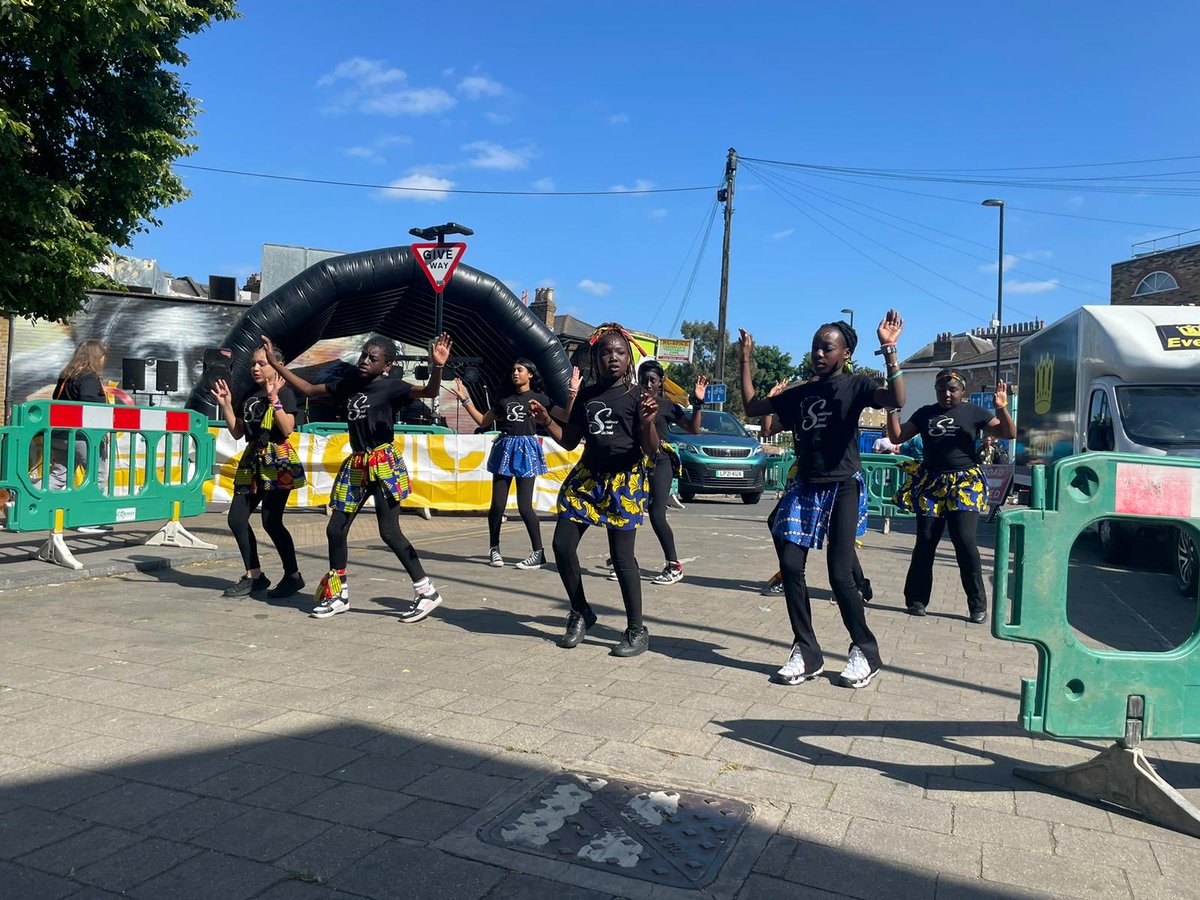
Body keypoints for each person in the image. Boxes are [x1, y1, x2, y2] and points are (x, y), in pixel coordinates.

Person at [741, 311, 905, 689]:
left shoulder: (857, 385)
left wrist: (889, 348)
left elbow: (896, 397)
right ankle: (807, 650)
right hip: (806, 487)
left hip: (843, 485)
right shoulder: (800, 392)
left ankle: (866, 650)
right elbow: (753, 408)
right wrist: (746, 358)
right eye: (815, 345)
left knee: (839, 573)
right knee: (790, 564)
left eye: (827, 346)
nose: (818, 352)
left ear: (845, 353)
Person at [263, 332, 452, 622]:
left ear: (386, 366)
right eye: (364, 355)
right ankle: (338, 595)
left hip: (383, 461)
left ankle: (426, 591)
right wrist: (276, 364)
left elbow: (428, 392)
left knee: (389, 531)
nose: (364, 361)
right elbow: (310, 390)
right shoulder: (349, 384)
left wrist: (437, 366)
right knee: (335, 529)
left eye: (372, 358)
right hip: (358, 463)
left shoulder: (393, 387)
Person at [529, 323, 660, 657]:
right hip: (587, 479)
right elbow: (571, 440)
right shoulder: (586, 394)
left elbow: (649, 450)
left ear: (629, 361)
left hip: (623, 482)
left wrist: (647, 423)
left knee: (621, 558)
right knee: (561, 545)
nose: (612, 358)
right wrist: (546, 419)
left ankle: (636, 630)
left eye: (619, 352)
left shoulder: (638, 398)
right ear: (596, 359)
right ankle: (581, 612)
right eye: (605, 352)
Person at [887, 370, 1016, 623]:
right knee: (925, 541)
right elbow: (896, 437)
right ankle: (916, 600)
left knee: (964, 541)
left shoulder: (973, 413)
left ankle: (977, 605)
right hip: (932, 482)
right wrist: (892, 410)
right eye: (941, 389)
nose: (946, 394)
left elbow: (1008, 433)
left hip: (964, 482)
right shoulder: (925, 413)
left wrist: (1001, 407)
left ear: (962, 392)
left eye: (953, 390)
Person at [210, 345, 306, 599]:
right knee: (236, 518)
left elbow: (287, 429)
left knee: (271, 521)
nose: (255, 368)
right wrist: (227, 404)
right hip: (252, 459)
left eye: (262, 363)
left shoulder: (285, 393)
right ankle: (254, 575)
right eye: (253, 363)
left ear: (276, 365)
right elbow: (238, 432)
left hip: (277, 459)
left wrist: (274, 399)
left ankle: (293, 576)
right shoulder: (250, 395)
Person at [451, 359, 551, 570]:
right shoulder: (503, 399)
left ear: (530, 375)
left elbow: (563, 415)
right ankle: (494, 548)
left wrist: (572, 394)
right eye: (513, 369)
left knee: (525, 507)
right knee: (498, 504)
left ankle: (538, 553)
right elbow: (482, 421)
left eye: (520, 370)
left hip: (527, 450)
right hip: (505, 449)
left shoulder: (540, 399)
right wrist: (465, 400)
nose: (515, 373)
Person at [636, 360, 706, 585]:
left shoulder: (667, 406)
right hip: (634, 460)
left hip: (660, 460)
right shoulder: (630, 402)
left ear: (660, 382)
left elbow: (693, 429)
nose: (648, 385)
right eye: (644, 380)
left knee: (657, 513)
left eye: (653, 381)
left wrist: (698, 404)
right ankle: (625, 561)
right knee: (626, 510)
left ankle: (674, 565)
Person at [48, 340, 109, 496]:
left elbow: (56, 399)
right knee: (98, 475)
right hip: (82, 437)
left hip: (60, 434)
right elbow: (89, 404)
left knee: (60, 475)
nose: (105, 360)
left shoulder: (66, 375)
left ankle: (28, 505)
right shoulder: (88, 377)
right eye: (103, 356)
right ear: (96, 356)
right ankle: (93, 513)